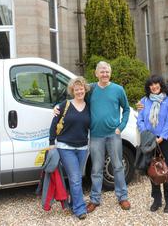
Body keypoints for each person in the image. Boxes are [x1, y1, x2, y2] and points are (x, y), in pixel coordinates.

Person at [86, 61, 131, 213]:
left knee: (118, 166)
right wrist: (58, 107)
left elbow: (126, 109)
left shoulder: (118, 89)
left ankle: (122, 197)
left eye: (107, 71)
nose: (105, 74)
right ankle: (94, 199)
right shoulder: (90, 89)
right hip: (96, 135)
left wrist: (121, 126)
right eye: (102, 71)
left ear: (110, 73)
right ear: (96, 73)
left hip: (113, 134)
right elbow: (77, 99)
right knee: (96, 168)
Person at [49, 77, 90, 220]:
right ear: (72, 91)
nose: (79, 91)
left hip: (83, 147)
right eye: (76, 89)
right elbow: (54, 123)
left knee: (77, 177)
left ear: (85, 89)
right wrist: (51, 142)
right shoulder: (65, 104)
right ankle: (80, 209)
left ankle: (73, 204)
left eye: (81, 88)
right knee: (75, 178)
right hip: (65, 147)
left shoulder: (89, 105)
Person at [137, 75, 168, 213]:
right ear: (149, 87)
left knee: (165, 168)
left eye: (156, 84)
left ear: (161, 85)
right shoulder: (144, 101)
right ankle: (157, 200)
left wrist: (162, 137)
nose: (154, 87)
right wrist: (147, 135)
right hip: (149, 140)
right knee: (152, 169)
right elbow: (140, 120)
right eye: (151, 85)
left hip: (162, 141)